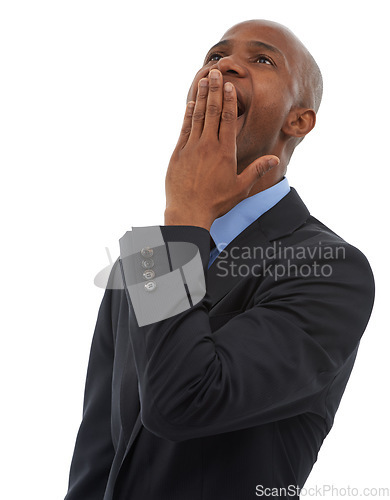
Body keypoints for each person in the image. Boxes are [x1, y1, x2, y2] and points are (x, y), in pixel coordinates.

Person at [64, 19, 375, 500]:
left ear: (299, 120)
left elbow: (182, 403)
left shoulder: (332, 267)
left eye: (263, 59)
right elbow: (100, 453)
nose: (226, 64)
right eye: (214, 56)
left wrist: (185, 214)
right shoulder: (139, 265)